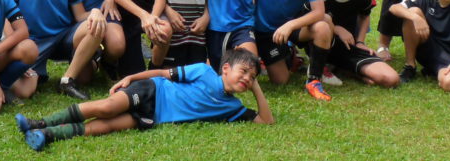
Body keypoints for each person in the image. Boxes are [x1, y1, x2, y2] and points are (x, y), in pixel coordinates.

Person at [14, 48, 273, 152]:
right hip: (152, 90)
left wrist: (256, 88)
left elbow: (266, 121)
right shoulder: (204, 72)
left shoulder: (233, 108)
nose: (247, 78)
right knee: (106, 107)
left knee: (106, 126)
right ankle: (39, 123)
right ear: (225, 68)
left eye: (252, 77)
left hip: (155, 116)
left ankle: (47, 136)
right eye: (244, 72)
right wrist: (130, 78)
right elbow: (162, 73)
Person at [319, 0, 400, 88]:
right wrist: (337, 29)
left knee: (391, 79)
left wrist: (361, 42)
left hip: (349, 47)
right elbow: (310, 22)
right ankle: (323, 66)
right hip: (324, 48)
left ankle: (347, 69)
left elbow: (364, 15)